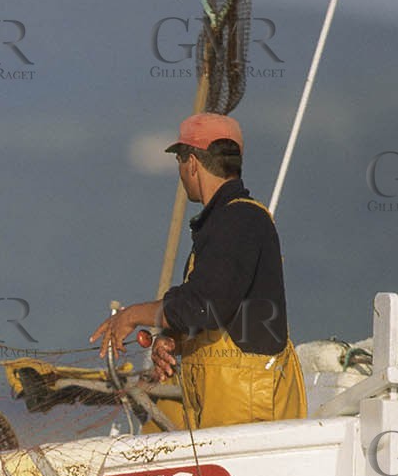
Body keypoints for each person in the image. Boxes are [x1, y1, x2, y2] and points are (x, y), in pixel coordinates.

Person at [90, 112, 305, 430]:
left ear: (191, 162)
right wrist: (174, 339)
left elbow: (203, 307)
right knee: (153, 440)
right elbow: (222, 306)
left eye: (179, 160)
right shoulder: (225, 222)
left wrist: (132, 314)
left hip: (246, 401)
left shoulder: (239, 221)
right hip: (220, 394)